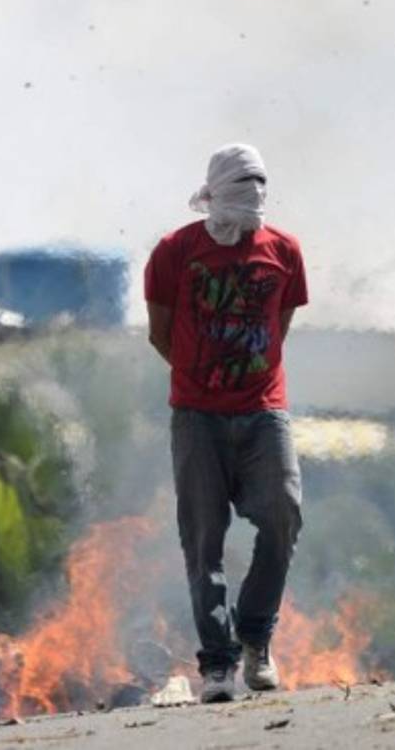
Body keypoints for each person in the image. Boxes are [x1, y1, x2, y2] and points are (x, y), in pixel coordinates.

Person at [144, 143, 308, 703]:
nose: (249, 199)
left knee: (283, 514)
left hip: (263, 412)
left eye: (257, 188)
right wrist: (204, 381)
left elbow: (279, 326)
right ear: (213, 194)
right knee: (203, 539)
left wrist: (245, 379)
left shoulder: (284, 251)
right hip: (197, 418)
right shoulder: (174, 252)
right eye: (240, 188)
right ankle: (217, 665)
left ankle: (256, 635)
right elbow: (159, 331)